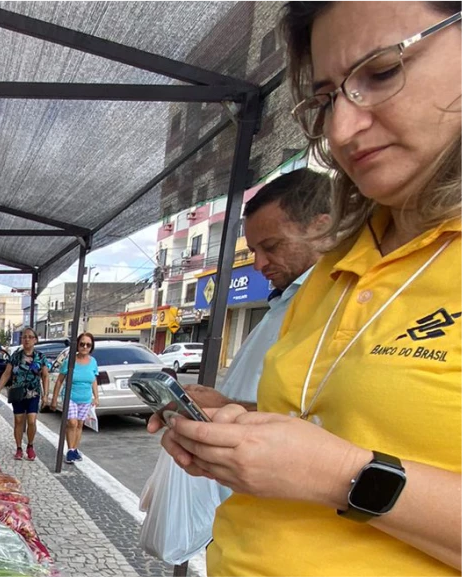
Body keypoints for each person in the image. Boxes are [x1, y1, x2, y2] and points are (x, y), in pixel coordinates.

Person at [152, 2, 462, 575]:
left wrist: (342, 476)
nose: (342, 129)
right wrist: (240, 426)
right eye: (324, 100)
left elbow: (333, 461)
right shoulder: (339, 266)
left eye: (383, 71)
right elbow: (328, 430)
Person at [185, 168, 333, 407]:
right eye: (254, 251)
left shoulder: (338, 308)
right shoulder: (283, 302)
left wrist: (224, 408)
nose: (259, 264)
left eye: (272, 246)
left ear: (321, 229)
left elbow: (319, 425)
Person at [0, 328, 49, 461]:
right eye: (24, 337)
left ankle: (30, 445)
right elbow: (7, 373)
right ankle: (19, 448)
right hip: (17, 392)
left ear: (35, 340)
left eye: (30, 337)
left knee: (31, 421)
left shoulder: (40, 357)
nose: (27, 340)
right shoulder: (15, 356)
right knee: (18, 421)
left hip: (33, 393)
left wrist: (46, 394)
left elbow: (45, 376)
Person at [49, 332, 99, 464]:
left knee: (80, 424)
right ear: (77, 345)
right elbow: (59, 380)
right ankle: (70, 450)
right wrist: (54, 399)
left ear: (91, 347)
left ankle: (75, 449)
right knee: (72, 423)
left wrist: (96, 397)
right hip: (70, 396)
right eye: (82, 344)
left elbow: (94, 380)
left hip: (86, 398)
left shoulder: (93, 362)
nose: (85, 347)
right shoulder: (69, 361)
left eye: (88, 345)